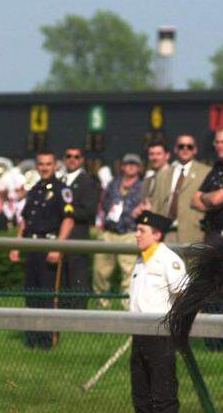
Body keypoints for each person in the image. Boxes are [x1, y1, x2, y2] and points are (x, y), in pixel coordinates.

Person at [128, 210, 187, 413]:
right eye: (137, 230)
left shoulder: (168, 260)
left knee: (163, 389)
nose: (137, 234)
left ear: (157, 234)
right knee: (141, 391)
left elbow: (183, 290)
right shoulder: (140, 261)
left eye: (142, 231)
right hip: (138, 333)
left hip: (160, 334)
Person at [10, 152, 74, 348]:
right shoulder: (34, 189)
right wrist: (16, 245)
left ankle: (47, 341)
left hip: (49, 245)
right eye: (41, 164)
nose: (45, 167)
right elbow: (25, 220)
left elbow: (68, 220)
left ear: (55, 166)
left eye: (48, 164)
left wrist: (58, 247)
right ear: (37, 166)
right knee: (31, 294)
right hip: (31, 246)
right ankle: (32, 339)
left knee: (47, 296)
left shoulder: (62, 190)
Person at [92, 154, 143, 308]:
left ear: (139, 168)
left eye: (134, 164)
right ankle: (101, 303)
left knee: (128, 273)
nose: (130, 166)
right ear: (122, 166)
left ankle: (127, 304)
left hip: (129, 232)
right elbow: (103, 203)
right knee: (100, 270)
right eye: (128, 163)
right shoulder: (113, 183)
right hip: (109, 232)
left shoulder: (143, 186)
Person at [145, 134, 211, 244]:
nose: (185, 149)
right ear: (176, 149)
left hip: (193, 233)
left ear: (195, 150)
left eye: (189, 146)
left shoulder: (206, 172)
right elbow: (156, 206)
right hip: (165, 233)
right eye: (181, 146)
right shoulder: (163, 174)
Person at [59, 146, 101, 308]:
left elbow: (90, 211)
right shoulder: (60, 181)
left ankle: (79, 314)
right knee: (62, 276)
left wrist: (70, 211)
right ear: (64, 159)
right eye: (68, 156)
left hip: (78, 234)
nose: (72, 159)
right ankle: (62, 309)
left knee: (77, 276)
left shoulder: (88, 182)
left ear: (82, 160)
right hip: (60, 235)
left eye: (76, 157)